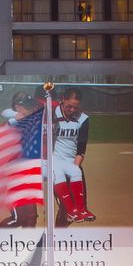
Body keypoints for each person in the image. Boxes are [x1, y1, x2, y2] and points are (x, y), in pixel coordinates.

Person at [0, 91, 41, 228]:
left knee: (31, 218)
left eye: (30, 106)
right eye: (26, 107)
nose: (31, 110)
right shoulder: (12, 123)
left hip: (28, 174)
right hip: (15, 175)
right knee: (19, 219)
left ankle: (28, 247)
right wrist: (15, 117)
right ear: (17, 108)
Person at [52, 87, 95, 223]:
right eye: (69, 106)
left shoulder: (83, 119)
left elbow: (81, 147)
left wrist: (74, 167)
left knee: (78, 208)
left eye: (75, 107)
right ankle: (54, 241)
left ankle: (57, 237)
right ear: (62, 100)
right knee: (66, 209)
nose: (72, 110)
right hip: (55, 164)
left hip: (72, 163)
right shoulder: (51, 114)